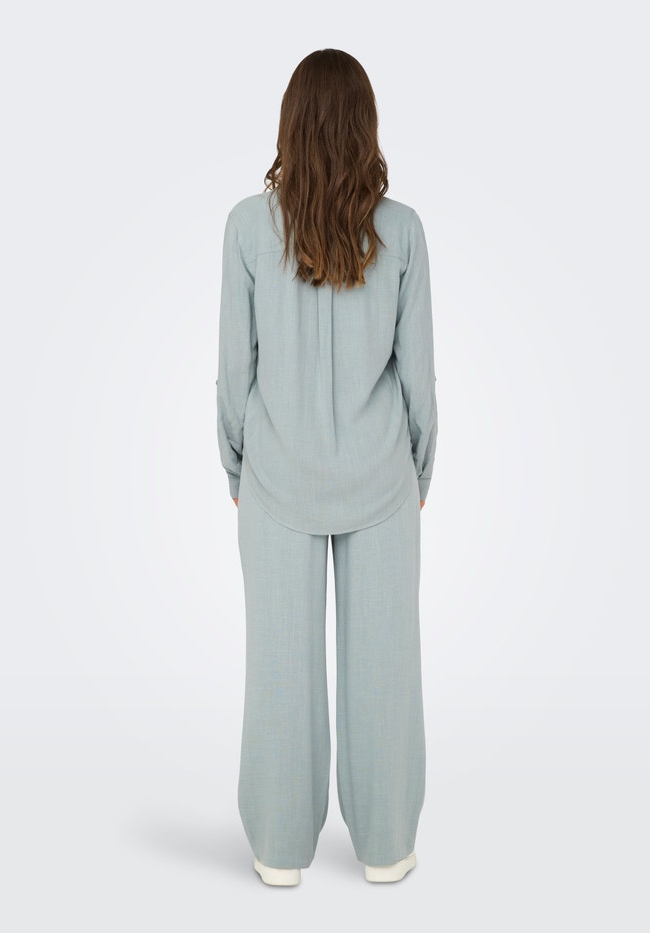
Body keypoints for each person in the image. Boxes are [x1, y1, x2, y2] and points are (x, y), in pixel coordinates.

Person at [216, 48, 438, 886]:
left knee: (280, 670)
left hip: (277, 479)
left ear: (290, 125)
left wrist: (236, 466)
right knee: (387, 670)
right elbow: (418, 376)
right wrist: (419, 473)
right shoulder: (403, 232)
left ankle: (278, 850)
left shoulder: (247, 227)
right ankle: (387, 846)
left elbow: (234, 367)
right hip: (381, 482)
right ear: (365, 127)